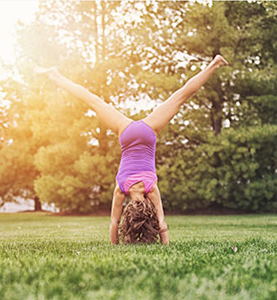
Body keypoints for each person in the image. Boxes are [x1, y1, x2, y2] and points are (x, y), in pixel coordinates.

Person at [35, 55, 229, 245]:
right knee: (93, 101)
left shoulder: (151, 188)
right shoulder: (121, 188)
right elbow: (113, 223)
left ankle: (214, 64)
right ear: (130, 210)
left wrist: (165, 244)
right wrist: (115, 246)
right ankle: (55, 75)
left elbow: (162, 224)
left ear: (147, 208)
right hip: (125, 132)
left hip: (148, 131)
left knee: (180, 96)